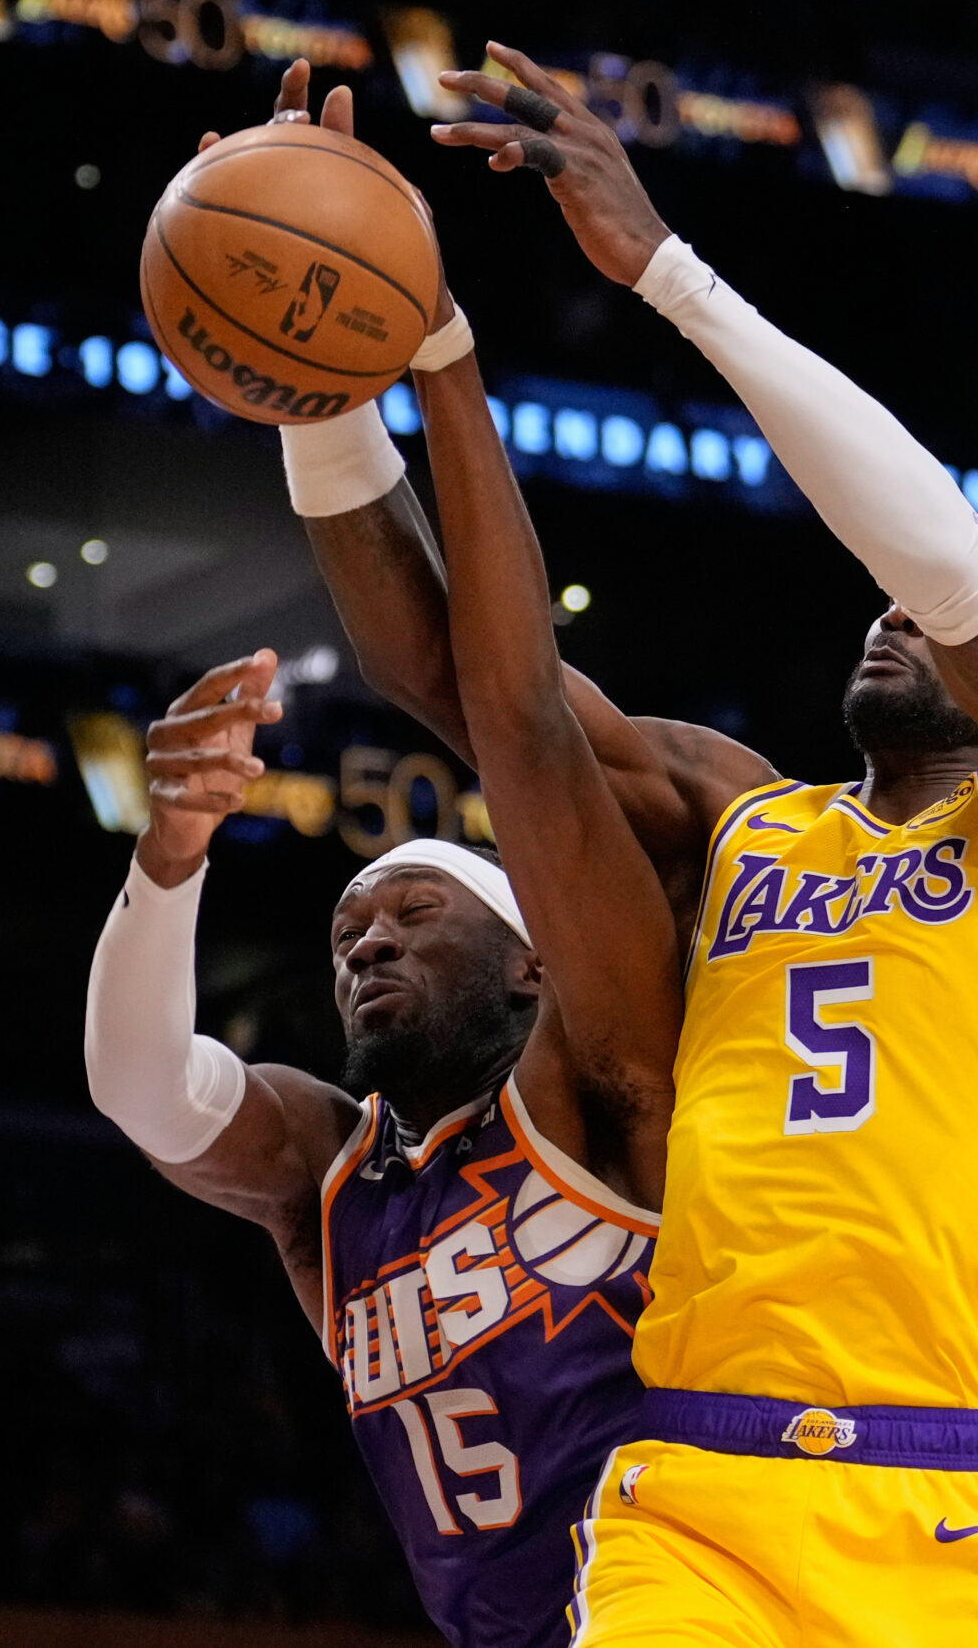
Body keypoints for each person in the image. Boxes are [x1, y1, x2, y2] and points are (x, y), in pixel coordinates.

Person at [279, 44, 978, 1646]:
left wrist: (672, 275)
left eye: (972, 600)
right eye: (887, 592)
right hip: (690, 1486)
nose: (898, 600)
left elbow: (941, 554)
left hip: (937, 1504)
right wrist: (372, 365)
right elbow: (468, 682)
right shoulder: (743, 812)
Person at [81, 602, 675, 1648]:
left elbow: (578, 823)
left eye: (416, 914)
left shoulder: (587, 1086)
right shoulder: (329, 1165)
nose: (368, 946)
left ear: (531, 964)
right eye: (348, 933)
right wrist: (169, 855)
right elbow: (140, 1086)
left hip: (684, 1609)